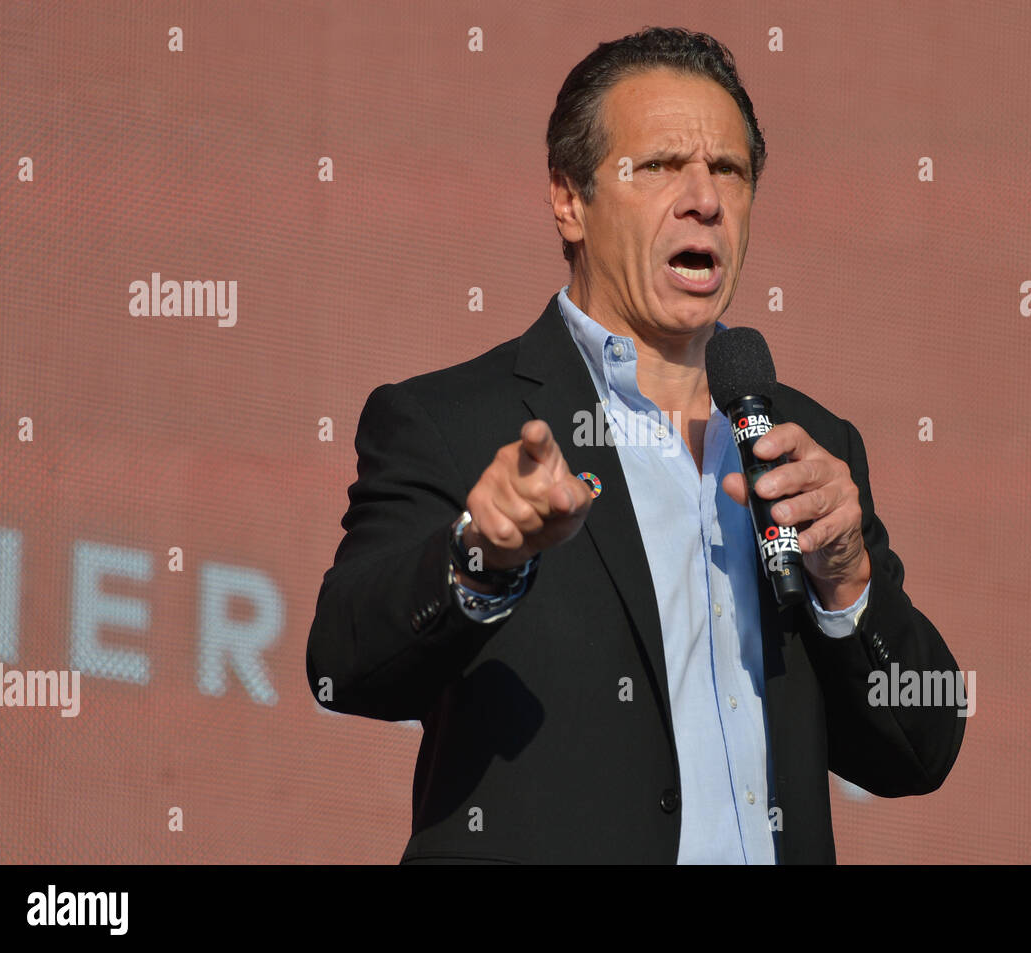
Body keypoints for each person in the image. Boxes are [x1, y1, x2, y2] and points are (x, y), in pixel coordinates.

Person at [306, 26, 965, 864]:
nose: (705, 200)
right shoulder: (453, 422)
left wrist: (848, 584)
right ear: (570, 199)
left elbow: (923, 744)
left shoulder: (806, 446)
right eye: (658, 168)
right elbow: (341, 666)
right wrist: (481, 556)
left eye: (729, 171)